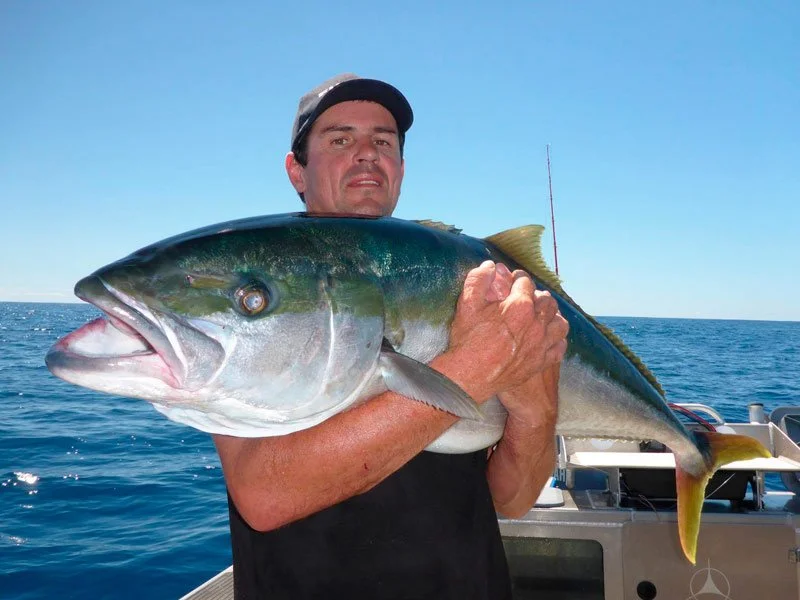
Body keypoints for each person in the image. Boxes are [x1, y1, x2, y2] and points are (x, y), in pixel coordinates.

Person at [212, 73, 569, 599]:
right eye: (340, 139)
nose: (365, 153)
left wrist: (537, 411)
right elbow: (265, 495)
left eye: (383, 142)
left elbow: (512, 500)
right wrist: (475, 367)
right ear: (296, 170)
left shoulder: (477, 289)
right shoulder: (261, 286)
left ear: (399, 168)